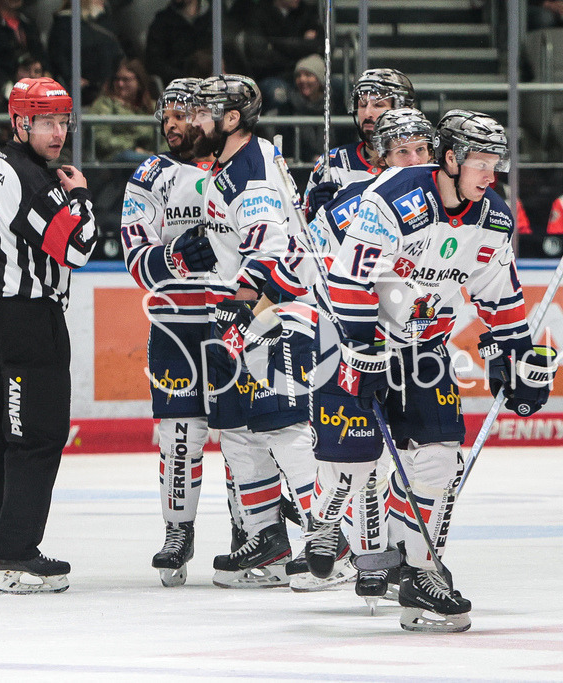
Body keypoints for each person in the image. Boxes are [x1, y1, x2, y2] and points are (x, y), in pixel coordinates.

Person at [303, 110, 556, 632]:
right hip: (354, 339)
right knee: (351, 460)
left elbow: (500, 296)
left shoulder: (492, 218)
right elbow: (350, 281)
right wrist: (364, 346)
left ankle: (418, 571)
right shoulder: (394, 196)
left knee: (440, 455)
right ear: (450, 159)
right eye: (481, 163)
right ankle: (325, 518)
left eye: (496, 164)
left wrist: (518, 358)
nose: (491, 175)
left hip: (424, 346)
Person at [262, 107, 436, 602]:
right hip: (343, 343)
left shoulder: (441, 204)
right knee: (352, 456)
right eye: (403, 151)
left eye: (422, 150)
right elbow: (298, 269)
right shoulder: (353, 204)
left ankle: (374, 561)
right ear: (381, 157)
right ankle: (323, 520)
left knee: (398, 459)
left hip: (409, 345)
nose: (415, 160)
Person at [0, 76, 98, 594]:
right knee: (36, 437)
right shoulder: (34, 179)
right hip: (29, 319)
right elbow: (79, 247)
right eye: (47, 122)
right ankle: (16, 557)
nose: (58, 132)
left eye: (63, 121)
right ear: (21, 122)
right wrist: (80, 195)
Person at [189, 74, 332, 589]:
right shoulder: (234, 165)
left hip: (278, 313)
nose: (194, 121)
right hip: (251, 314)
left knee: (283, 428)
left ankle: (327, 541)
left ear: (232, 120)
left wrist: (240, 305)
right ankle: (268, 543)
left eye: (205, 113)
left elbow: (270, 252)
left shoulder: (249, 173)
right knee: (238, 432)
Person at [120, 77, 220, 586]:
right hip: (175, 328)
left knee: (253, 436)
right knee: (179, 435)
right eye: (168, 116)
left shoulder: (241, 167)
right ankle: (178, 532)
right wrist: (175, 257)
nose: (173, 125)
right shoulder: (149, 175)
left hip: (235, 322)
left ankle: (256, 533)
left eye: (185, 115)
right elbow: (135, 258)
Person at [303, 68, 416, 217]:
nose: (367, 113)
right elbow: (299, 229)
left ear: (403, 110)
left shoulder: (417, 162)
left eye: (378, 105)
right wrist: (312, 212)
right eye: (362, 105)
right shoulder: (332, 163)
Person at [242, 0, 323, 115]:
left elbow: (320, 46)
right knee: (279, 94)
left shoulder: (307, 12)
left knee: (336, 89)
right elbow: (259, 57)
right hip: (272, 76)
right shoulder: (258, 14)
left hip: (303, 72)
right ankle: (280, 133)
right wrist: (301, 44)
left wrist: (276, 46)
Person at [47, 0, 123, 107]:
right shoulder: (65, 23)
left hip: (110, 85)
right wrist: (70, 78)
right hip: (84, 89)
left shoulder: (106, 21)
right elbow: (58, 55)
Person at [89, 58, 156, 161]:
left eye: (126, 80)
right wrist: (133, 147)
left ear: (139, 81)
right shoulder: (105, 104)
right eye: (117, 79)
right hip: (115, 158)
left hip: (150, 155)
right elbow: (102, 139)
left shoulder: (152, 106)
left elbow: (164, 139)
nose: (120, 84)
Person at [144, 0, 214, 84]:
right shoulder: (161, 23)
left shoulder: (214, 16)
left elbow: (227, 51)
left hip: (215, 79)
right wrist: (185, 79)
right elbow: (154, 63)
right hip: (181, 85)